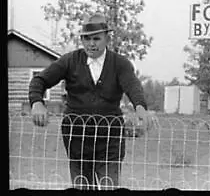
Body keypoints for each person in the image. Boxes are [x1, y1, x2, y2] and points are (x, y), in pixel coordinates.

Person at [29, 14, 152, 190]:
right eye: (87, 39)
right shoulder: (70, 61)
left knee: (109, 185)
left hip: (110, 139)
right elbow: (39, 81)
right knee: (82, 186)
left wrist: (140, 108)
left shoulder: (120, 63)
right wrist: (37, 103)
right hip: (77, 138)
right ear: (81, 39)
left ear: (107, 39)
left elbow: (132, 86)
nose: (91, 44)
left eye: (96, 38)